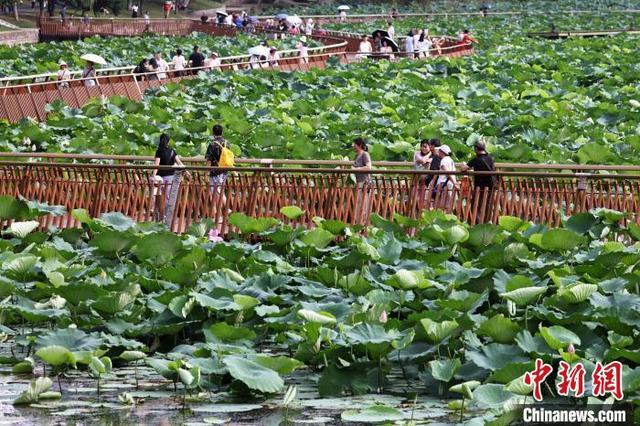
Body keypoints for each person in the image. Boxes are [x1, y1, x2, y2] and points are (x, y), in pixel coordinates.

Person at [151, 133, 186, 221]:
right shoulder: (172, 151)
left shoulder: (159, 151)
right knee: (168, 197)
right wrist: (186, 172)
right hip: (170, 177)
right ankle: (167, 216)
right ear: (168, 141)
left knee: (157, 196)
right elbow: (179, 163)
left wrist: (154, 176)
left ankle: (158, 216)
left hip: (160, 177)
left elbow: (157, 164)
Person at [461, 138, 496, 221]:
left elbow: (463, 169)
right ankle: (487, 221)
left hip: (479, 187)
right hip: (490, 186)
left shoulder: (476, 159)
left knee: (476, 205)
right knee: (488, 205)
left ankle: (476, 222)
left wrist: (463, 164)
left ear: (476, 149)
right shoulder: (490, 158)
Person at [352, 137, 372, 224]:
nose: (353, 146)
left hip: (364, 182)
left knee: (364, 203)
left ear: (359, 145)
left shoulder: (365, 154)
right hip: (358, 181)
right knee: (358, 203)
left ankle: (363, 223)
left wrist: (357, 169)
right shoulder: (356, 155)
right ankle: (358, 222)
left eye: (355, 144)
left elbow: (369, 167)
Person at [206, 124, 229, 189]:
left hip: (215, 171)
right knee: (220, 191)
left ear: (213, 133)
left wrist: (206, 174)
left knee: (216, 193)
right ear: (222, 132)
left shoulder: (212, 144)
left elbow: (209, 160)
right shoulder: (227, 143)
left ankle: (224, 200)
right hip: (225, 170)